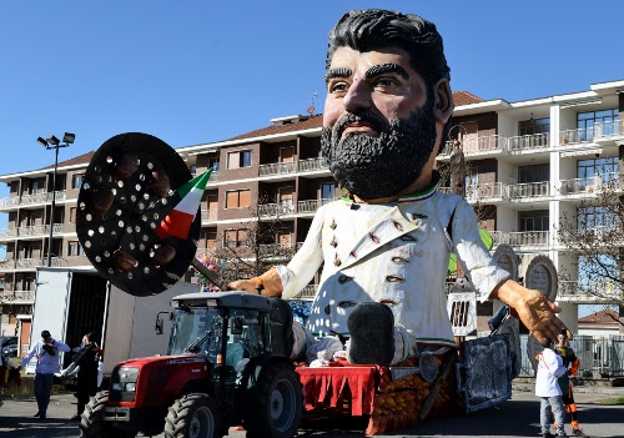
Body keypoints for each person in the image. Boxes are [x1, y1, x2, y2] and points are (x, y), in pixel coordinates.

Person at [230, 8, 565, 367]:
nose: (352, 101)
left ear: (439, 102)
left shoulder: (446, 210)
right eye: (339, 87)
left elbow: (481, 270)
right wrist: (252, 288)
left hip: (413, 348)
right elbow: (294, 274)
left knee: (381, 337)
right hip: (322, 346)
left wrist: (519, 296)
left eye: (385, 83)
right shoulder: (329, 213)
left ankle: (372, 345)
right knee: (274, 332)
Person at [21, 330, 70, 419]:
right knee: (37, 392)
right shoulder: (38, 343)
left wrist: (54, 343)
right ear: (42, 337)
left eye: (48, 337)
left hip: (49, 373)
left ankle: (43, 412)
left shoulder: (56, 343)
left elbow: (67, 349)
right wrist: (21, 365)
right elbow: (29, 354)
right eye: (45, 338)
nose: (47, 339)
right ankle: (41, 409)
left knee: (46, 393)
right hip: (39, 371)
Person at [555, 331, 584, 436]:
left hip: (565, 382)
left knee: (572, 406)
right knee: (556, 407)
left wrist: (572, 371)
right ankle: (557, 428)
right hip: (555, 383)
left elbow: (576, 361)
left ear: (566, 339)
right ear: (557, 339)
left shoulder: (569, 351)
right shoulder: (553, 351)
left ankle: (575, 427)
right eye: (560, 338)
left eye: (564, 338)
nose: (562, 340)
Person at [535, 346, 568, 438]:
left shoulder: (542, 354)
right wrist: (564, 368)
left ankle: (545, 431)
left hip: (542, 388)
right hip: (552, 388)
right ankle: (560, 432)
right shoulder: (552, 355)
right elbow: (556, 372)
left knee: (544, 411)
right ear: (552, 343)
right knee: (558, 411)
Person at [70, 332, 101, 420]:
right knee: (87, 397)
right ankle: (85, 414)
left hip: (85, 375)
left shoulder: (88, 348)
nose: (82, 341)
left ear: (87, 339)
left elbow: (76, 358)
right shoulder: (95, 347)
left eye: (83, 339)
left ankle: (82, 415)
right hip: (91, 375)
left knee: (83, 397)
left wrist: (82, 348)